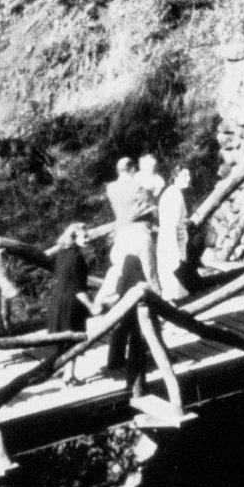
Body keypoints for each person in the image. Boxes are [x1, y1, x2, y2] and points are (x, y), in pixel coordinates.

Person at [103, 158, 160, 380]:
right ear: (133, 170)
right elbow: (150, 203)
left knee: (122, 297)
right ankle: (155, 351)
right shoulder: (138, 188)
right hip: (138, 235)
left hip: (122, 236)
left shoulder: (112, 188)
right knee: (149, 291)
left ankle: (115, 357)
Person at [43, 221, 93, 335]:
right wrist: (91, 306)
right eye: (84, 237)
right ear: (73, 238)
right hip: (71, 307)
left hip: (56, 304)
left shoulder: (60, 255)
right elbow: (79, 289)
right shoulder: (77, 258)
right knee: (73, 344)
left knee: (58, 343)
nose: (88, 239)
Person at [155, 161, 195, 300]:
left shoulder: (174, 192)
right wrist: (175, 252)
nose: (188, 178)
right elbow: (171, 225)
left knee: (176, 284)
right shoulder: (173, 195)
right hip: (171, 243)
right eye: (184, 175)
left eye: (189, 175)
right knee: (175, 281)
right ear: (175, 176)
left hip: (174, 240)